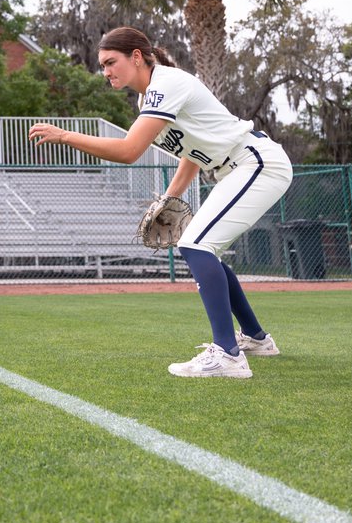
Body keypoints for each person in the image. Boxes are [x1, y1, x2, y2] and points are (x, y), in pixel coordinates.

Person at [28, 27, 292, 379]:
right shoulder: (149, 97)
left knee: (196, 244)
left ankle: (227, 356)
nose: (106, 71)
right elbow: (190, 154)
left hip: (256, 163)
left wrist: (65, 135)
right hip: (237, 168)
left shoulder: (167, 84)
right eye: (102, 65)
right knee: (204, 247)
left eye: (111, 62)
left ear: (136, 57)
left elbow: (128, 151)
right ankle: (256, 340)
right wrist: (170, 198)